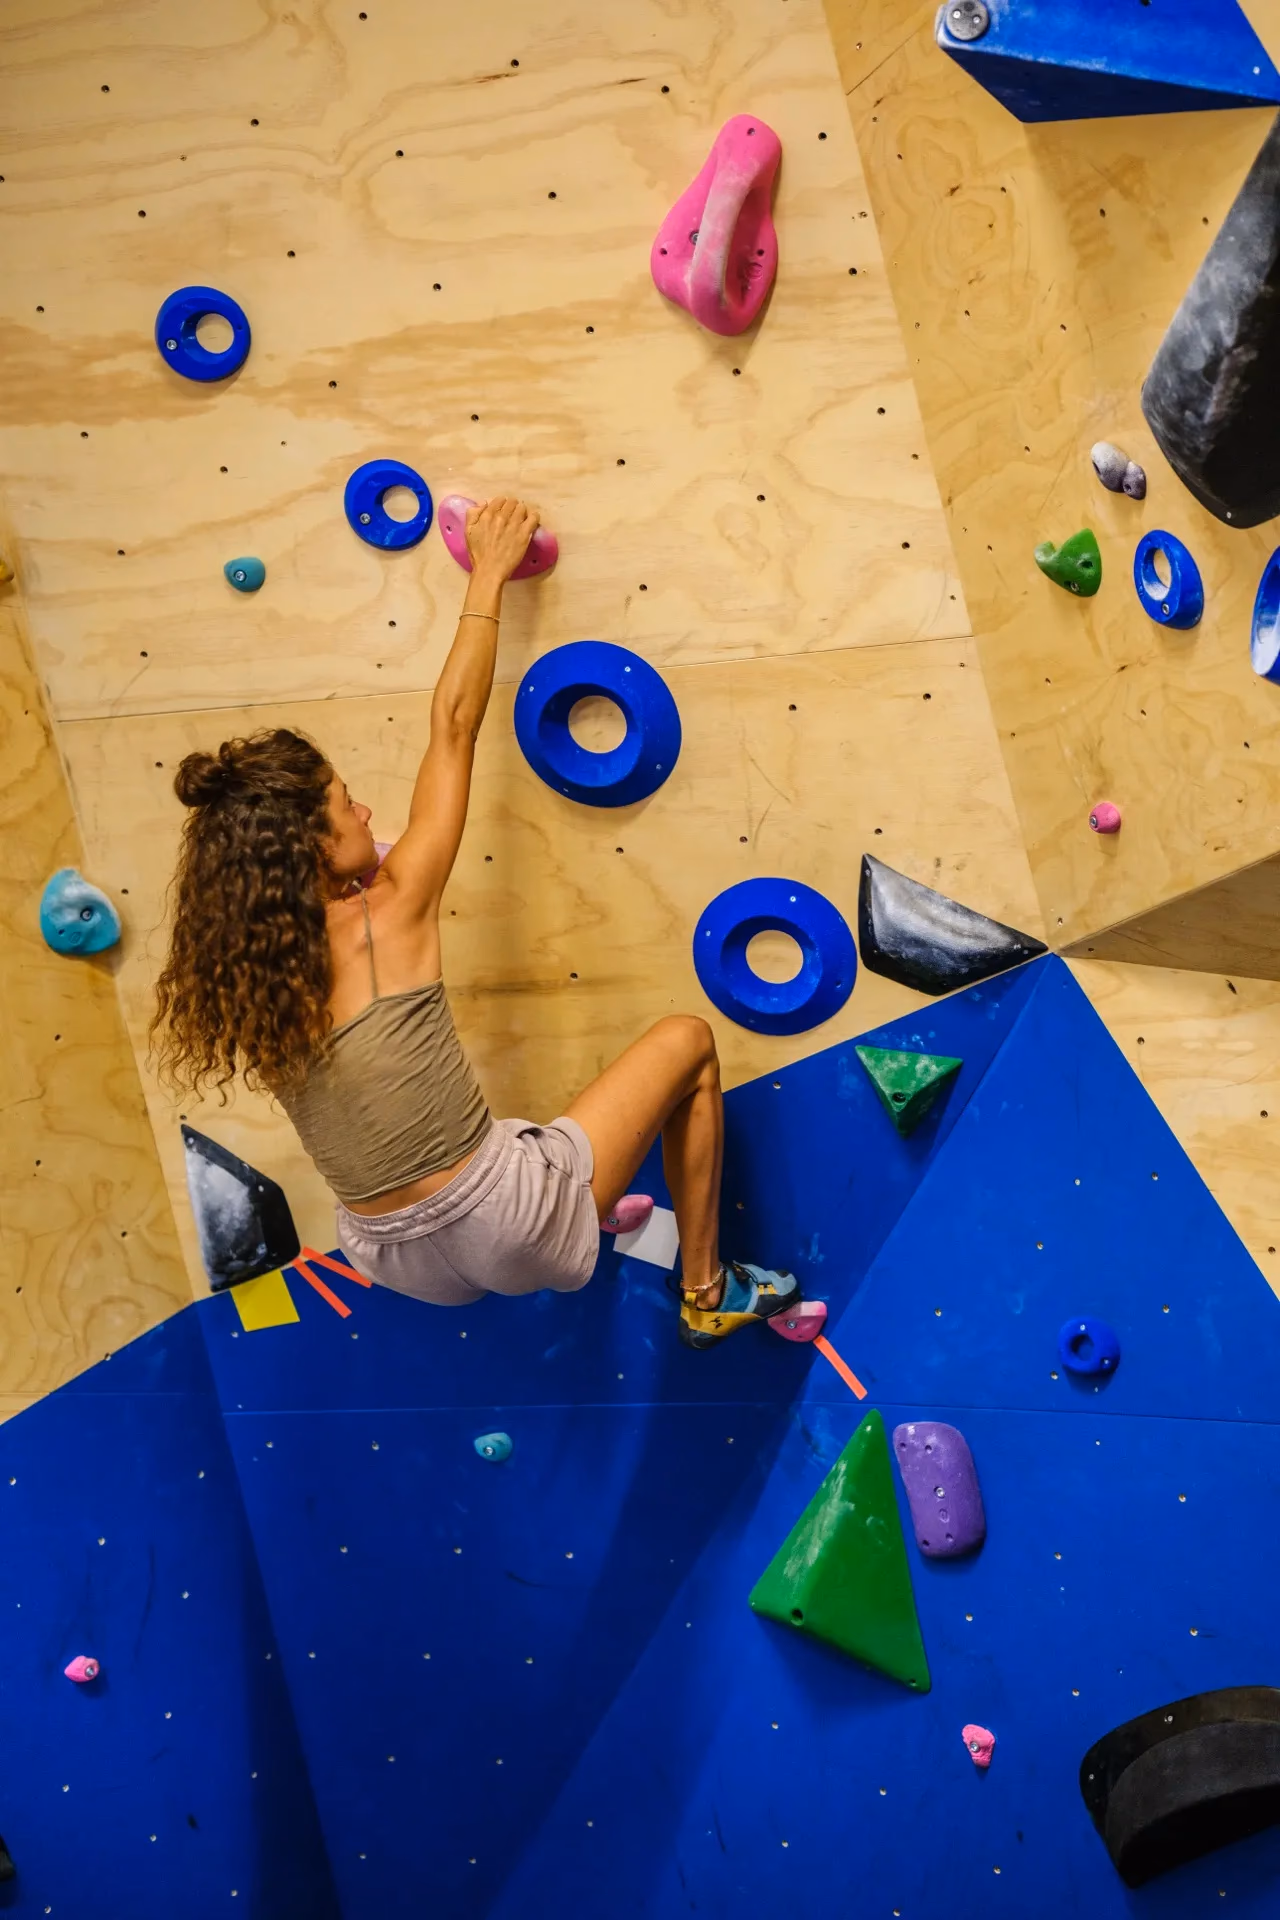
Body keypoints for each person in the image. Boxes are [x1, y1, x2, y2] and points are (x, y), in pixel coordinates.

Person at [152, 496, 798, 1347]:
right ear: (310, 842)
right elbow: (453, 728)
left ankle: (582, 1195)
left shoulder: (249, 980)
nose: (366, 809)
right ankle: (708, 1289)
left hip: (391, 1260)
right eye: (347, 806)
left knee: (501, 1144)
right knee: (688, 1042)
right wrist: (490, 573)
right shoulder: (394, 905)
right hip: (505, 1221)